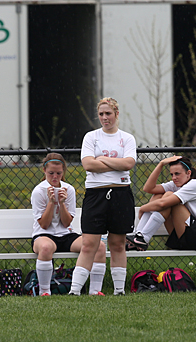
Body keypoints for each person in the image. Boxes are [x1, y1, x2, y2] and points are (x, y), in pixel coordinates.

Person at [70, 97, 137, 296]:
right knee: (89, 243)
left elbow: (128, 164)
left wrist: (104, 159)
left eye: (108, 113)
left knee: (117, 244)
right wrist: (117, 162)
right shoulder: (91, 137)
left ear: (116, 114)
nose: (104, 118)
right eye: (101, 114)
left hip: (121, 193)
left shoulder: (127, 138)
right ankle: (75, 290)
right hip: (95, 195)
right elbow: (88, 165)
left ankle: (119, 290)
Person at [30, 153, 106, 296]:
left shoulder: (68, 189)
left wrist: (62, 202)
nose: (55, 177)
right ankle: (44, 291)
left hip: (65, 234)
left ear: (63, 172)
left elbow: (66, 223)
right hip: (43, 235)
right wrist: (52, 202)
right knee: (46, 248)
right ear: (44, 171)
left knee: (99, 246)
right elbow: (44, 225)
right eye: (51, 173)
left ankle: (95, 291)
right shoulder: (39, 191)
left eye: (58, 173)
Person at [126, 155, 196, 251]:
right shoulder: (175, 184)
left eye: (177, 174)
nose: (174, 177)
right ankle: (140, 236)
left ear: (188, 173)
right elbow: (148, 188)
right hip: (180, 237)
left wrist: (143, 208)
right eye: (172, 174)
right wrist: (161, 164)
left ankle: (143, 237)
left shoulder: (194, 184)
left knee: (168, 196)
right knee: (158, 195)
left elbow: (162, 204)